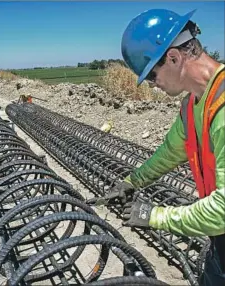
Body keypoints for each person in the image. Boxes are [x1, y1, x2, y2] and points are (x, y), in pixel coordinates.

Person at [106, 9, 224, 286]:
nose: (153, 85)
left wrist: (154, 215)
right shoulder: (192, 104)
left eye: (151, 76)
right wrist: (132, 181)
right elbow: (170, 152)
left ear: (173, 57)